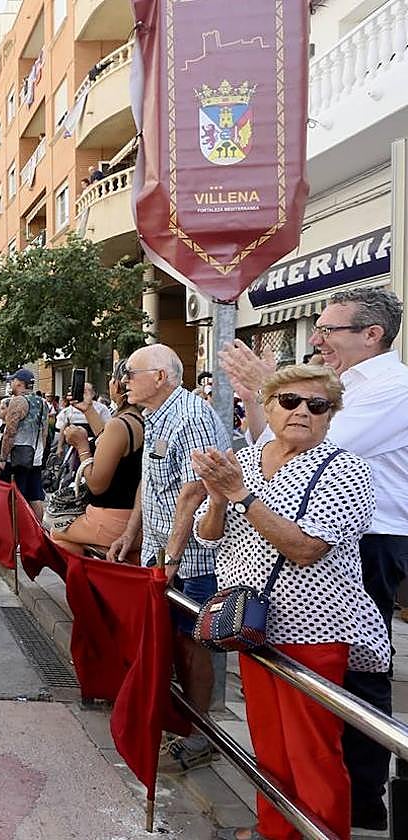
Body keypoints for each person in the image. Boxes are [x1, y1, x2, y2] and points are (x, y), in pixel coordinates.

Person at [221, 287, 408, 830]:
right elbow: (279, 446)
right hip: (286, 564)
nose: (318, 339)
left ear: (371, 335)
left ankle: (356, 806)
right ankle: (294, 819)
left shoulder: (392, 387)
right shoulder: (340, 385)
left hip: (363, 547)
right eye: (319, 329)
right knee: (281, 726)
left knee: (343, 695)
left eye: (328, 330)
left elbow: (319, 445)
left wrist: (271, 387)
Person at [192, 364, 390, 840]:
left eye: (316, 405)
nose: (302, 411)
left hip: (314, 628)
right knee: (270, 743)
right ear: (268, 407)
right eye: (289, 401)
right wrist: (218, 499)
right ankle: (276, 829)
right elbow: (208, 534)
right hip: (251, 624)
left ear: (330, 415)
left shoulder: (346, 469)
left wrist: (241, 496)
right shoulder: (247, 459)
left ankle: (322, 832)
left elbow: (305, 547)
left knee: (313, 750)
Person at [107, 343, 231, 773]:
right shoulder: (157, 415)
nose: (124, 381)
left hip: (194, 559)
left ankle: (199, 735)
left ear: (160, 377)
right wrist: (131, 532)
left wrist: (172, 557)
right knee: (170, 642)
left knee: (192, 645)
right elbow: (151, 480)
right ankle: (178, 720)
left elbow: (194, 492)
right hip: (162, 551)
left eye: (131, 373)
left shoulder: (190, 417)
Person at [52, 361, 144, 560]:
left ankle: (87, 574)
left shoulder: (119, 424)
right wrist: (88, 409)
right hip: (134, 519)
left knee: (55, 531)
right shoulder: (137, 419)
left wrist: (82, 447)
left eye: (111, 379)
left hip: (110, 520)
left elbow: (96, 485)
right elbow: (108, 442)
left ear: (118, 384)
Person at [0, 369, 49, 520]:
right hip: (35, 456)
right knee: (35, 496)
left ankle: (15, 529)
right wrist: (40, 454)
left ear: (20, 383)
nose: (11, 384)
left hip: (17, 458)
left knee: (14, 497)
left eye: (13, 381)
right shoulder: (43, 403)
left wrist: (2, 458)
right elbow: (45, 432)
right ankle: (37, 529)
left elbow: (10, 432)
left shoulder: (18, 401)